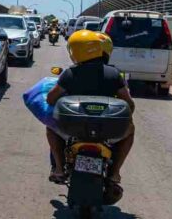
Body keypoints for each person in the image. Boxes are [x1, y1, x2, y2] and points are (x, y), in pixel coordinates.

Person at [45, 30, 135, 184]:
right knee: (131, 130)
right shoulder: (114, 74)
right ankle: (114, 173)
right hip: (106, 131)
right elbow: (129, 105)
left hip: (73, 129)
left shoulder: (70, 74)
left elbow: (51, 99)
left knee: (50, 128)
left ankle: (59, 169)